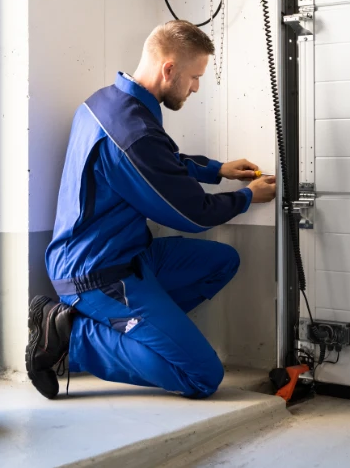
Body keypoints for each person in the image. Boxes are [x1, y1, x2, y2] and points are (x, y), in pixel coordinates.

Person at [25, 20, 278, 400]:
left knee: (222, 261)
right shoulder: (132, 133)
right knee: (202, 376)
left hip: (129, 255)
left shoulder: (107, 102)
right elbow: (193, 215)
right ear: (169, 69)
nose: (195, 87)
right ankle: (72, 337)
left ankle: (136, 334)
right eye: (194, 77)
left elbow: (160, 162)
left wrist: (217, 170)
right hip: (96, 274)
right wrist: (246, 197)